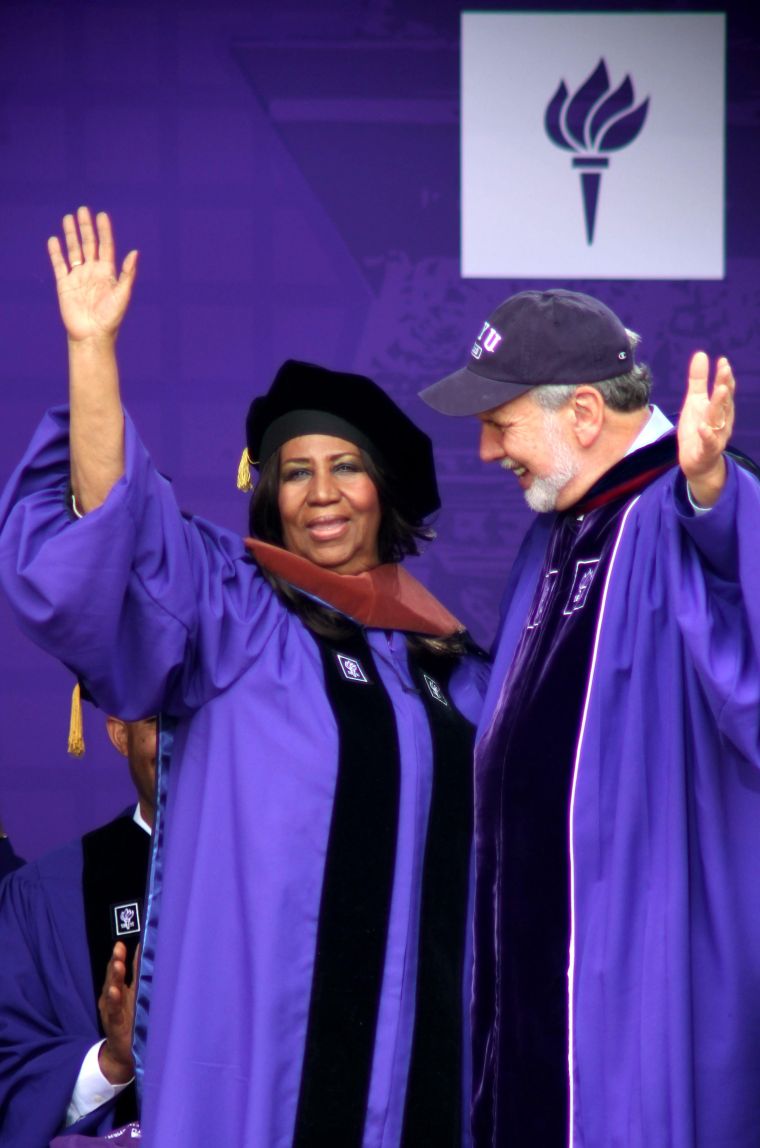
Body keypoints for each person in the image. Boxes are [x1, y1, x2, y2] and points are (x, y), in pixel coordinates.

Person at [0, 208, 488, 1148]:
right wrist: (91, 352)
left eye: (347, 467)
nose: (322, 492)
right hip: (269, 1068)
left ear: (384, 491)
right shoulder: (234, 613)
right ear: (267, 491)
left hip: (423, 1066)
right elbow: (122, 536)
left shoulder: (450, 663)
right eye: (296, 471)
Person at [419, 288, 760, 1147]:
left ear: (580, 411)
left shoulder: (674, 510)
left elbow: (736, 612)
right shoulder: (561, 530)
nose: (486, 447)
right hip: (528, 962)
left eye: (500, 421)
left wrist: (717, 494)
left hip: (630, 961)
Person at [0, 713, 156, 1147]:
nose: (183, 741)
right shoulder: (48, 894)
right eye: (161, 721)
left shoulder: (302, 878)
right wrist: (114, 1060)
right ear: (119, 733)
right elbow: (11, 1076)